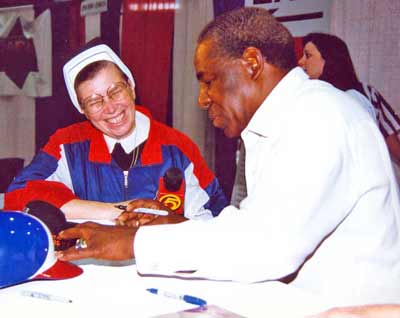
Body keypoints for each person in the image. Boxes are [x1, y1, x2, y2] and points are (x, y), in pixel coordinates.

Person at [56, 7, 400, 305]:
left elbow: (268, 246)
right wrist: (180, 226)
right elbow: (258, 224)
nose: (203, 99)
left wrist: (134, 241)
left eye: (208, 81)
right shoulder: (289, 118)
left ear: (251, 63)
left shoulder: (320, 116)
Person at [4, 43, 227, 225]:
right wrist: (117, 211)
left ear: (131, 86)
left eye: (115, 91)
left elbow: (215, 219)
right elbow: (17, 195)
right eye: (94, 101)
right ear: (83, 110)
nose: (110, 108)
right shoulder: (67, 145)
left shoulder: (177, 148)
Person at [298, 32, 400, 178]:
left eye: (308, 55)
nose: (301, 62)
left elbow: (393, 146)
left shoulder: (365, 94)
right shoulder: (307, 99)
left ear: (328, 59)